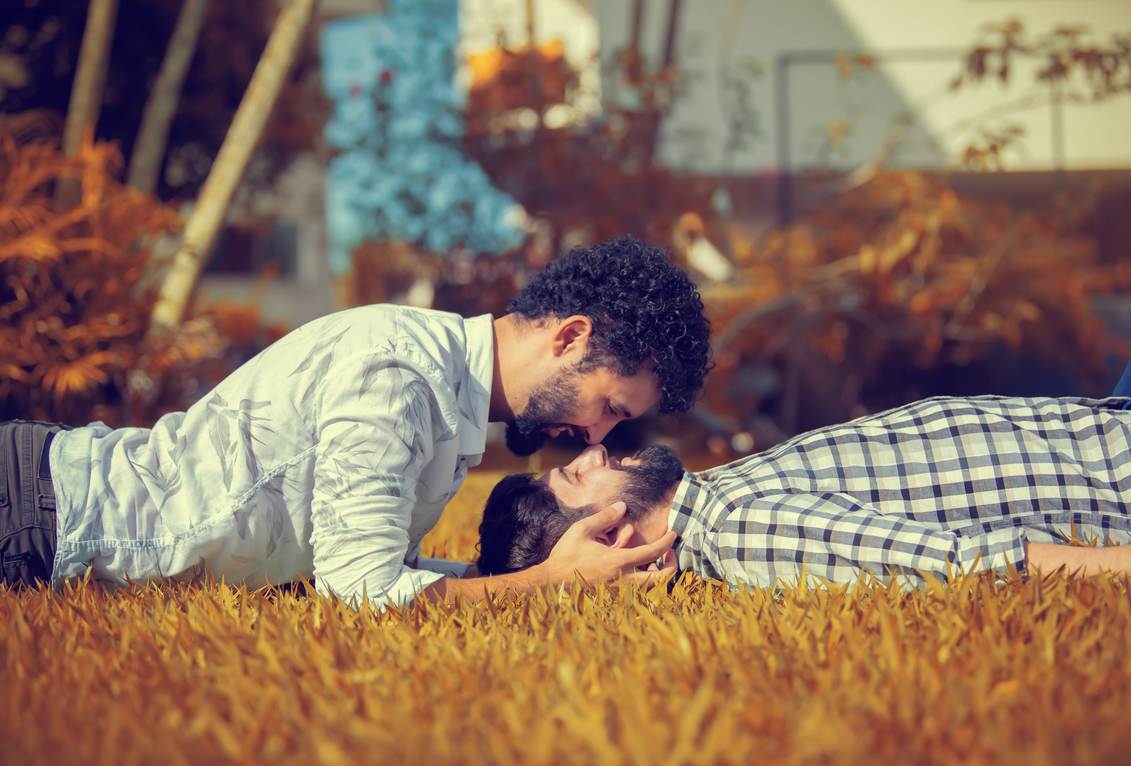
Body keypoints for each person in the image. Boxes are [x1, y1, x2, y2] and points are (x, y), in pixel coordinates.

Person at [0, 238, 712, 605]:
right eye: (610, 408)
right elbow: (362, 595)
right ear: (569, 339)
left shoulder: (448, 394)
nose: (597, 438)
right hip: (36, 514)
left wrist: (482, 575)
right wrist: (552, 583)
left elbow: (354, 565)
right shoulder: (402, 379)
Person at [476, 261, 1131, 588]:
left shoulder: (715, 497)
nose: (599, 448)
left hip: (1122, 425)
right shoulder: (736, 531)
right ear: (608, 537)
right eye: (579, 473)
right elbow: (971, 566)